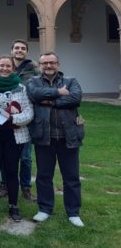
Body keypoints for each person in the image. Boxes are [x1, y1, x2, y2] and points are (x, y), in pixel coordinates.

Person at [27, 52, 85, 228]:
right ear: (40, 65)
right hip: (44, 136)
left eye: (52, 62)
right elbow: (34, 95)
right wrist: (59, 93)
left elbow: (76, 98)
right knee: (44, 176)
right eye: (45, 63)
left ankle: (73, 213)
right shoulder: (33, 81)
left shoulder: (71, 80)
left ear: (58, 64)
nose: (48, 66)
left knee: (71, 177)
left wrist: (50, 101)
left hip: (69, 136)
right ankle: (44, 209)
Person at [0, 55, 34, 222]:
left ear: (13, 68)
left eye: (8, 66)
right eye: (1, 65)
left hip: (14, 136)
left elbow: (28, 111)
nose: (5, 68)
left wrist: (12, 119)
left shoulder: (20, 87)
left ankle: (13, 205)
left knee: (11, 171)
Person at [0, 39, 41, 201]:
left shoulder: (34, 69)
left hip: (25, 118)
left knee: (26, 157)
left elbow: (40, 88)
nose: (19, 50)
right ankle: (4, 185)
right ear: (12, 50)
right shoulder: (6, 68)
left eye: (23, 48)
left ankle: (26, 187)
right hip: (5, 119)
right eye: (16, 48)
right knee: (4, 155)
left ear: (26, 51)